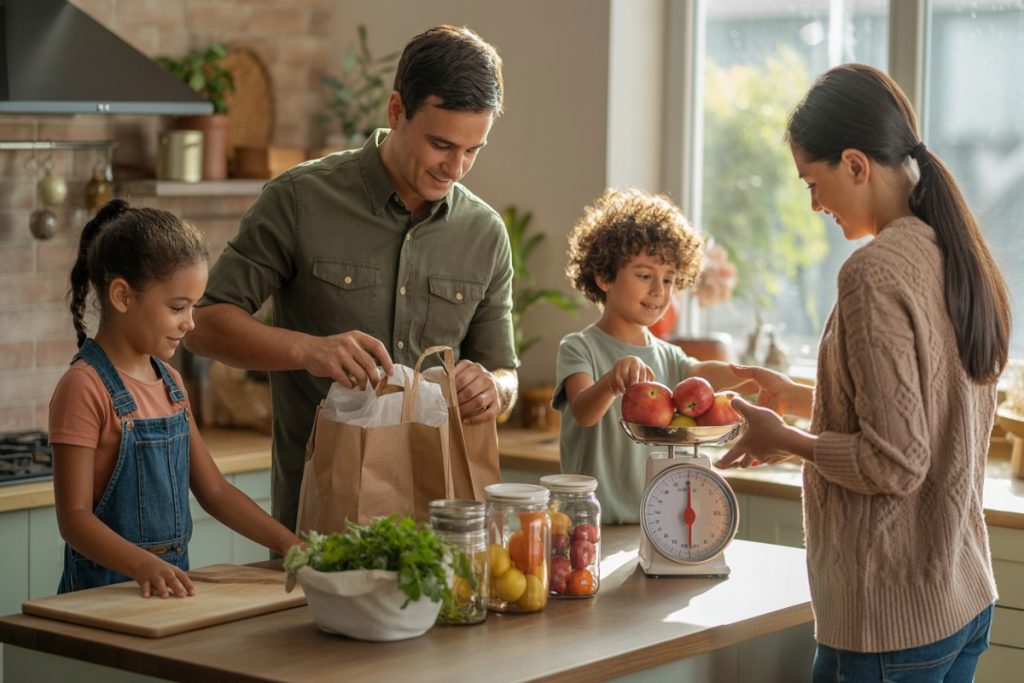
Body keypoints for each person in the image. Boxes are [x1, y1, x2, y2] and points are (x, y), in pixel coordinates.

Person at [715, 64, 1010, 681]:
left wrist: (784, 440)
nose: (815, 203)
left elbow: (895, 461)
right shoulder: (950, 250)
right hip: (960, 597)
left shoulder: (874, 272)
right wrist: (798, 398)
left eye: (812, 182)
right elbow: (922, 400)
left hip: (890, 623)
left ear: (855, 164)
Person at [184, 25, 517, 534]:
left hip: (442, 528)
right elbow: (203, 323)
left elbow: (504, 370)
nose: (456, 167)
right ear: (396, 110)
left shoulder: (484, 233)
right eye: (441, 144)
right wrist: (307, 350)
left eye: (474, 150)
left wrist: (494, 388)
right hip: (321, 520)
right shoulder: (299, 200)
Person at [50, 200, 301, 598]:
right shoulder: (84, 387)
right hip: (101, 596)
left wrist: (291, 544)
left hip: (166, 589)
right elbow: (74, 519)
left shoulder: (170, 382)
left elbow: (214, 491)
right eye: (178, 307)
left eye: (193, 307)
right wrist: (142, 564)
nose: (191, 322)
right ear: (121, 296)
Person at [554, 188, 754, 523]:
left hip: (655, 521)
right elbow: (584, 413)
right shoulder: (579, 347)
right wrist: (611, 382)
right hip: (590, 522)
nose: (659, 290)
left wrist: (756, 375)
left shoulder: (670, 357)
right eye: (645, 276)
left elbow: (704, 374)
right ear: (604, 276)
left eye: (669, 279)